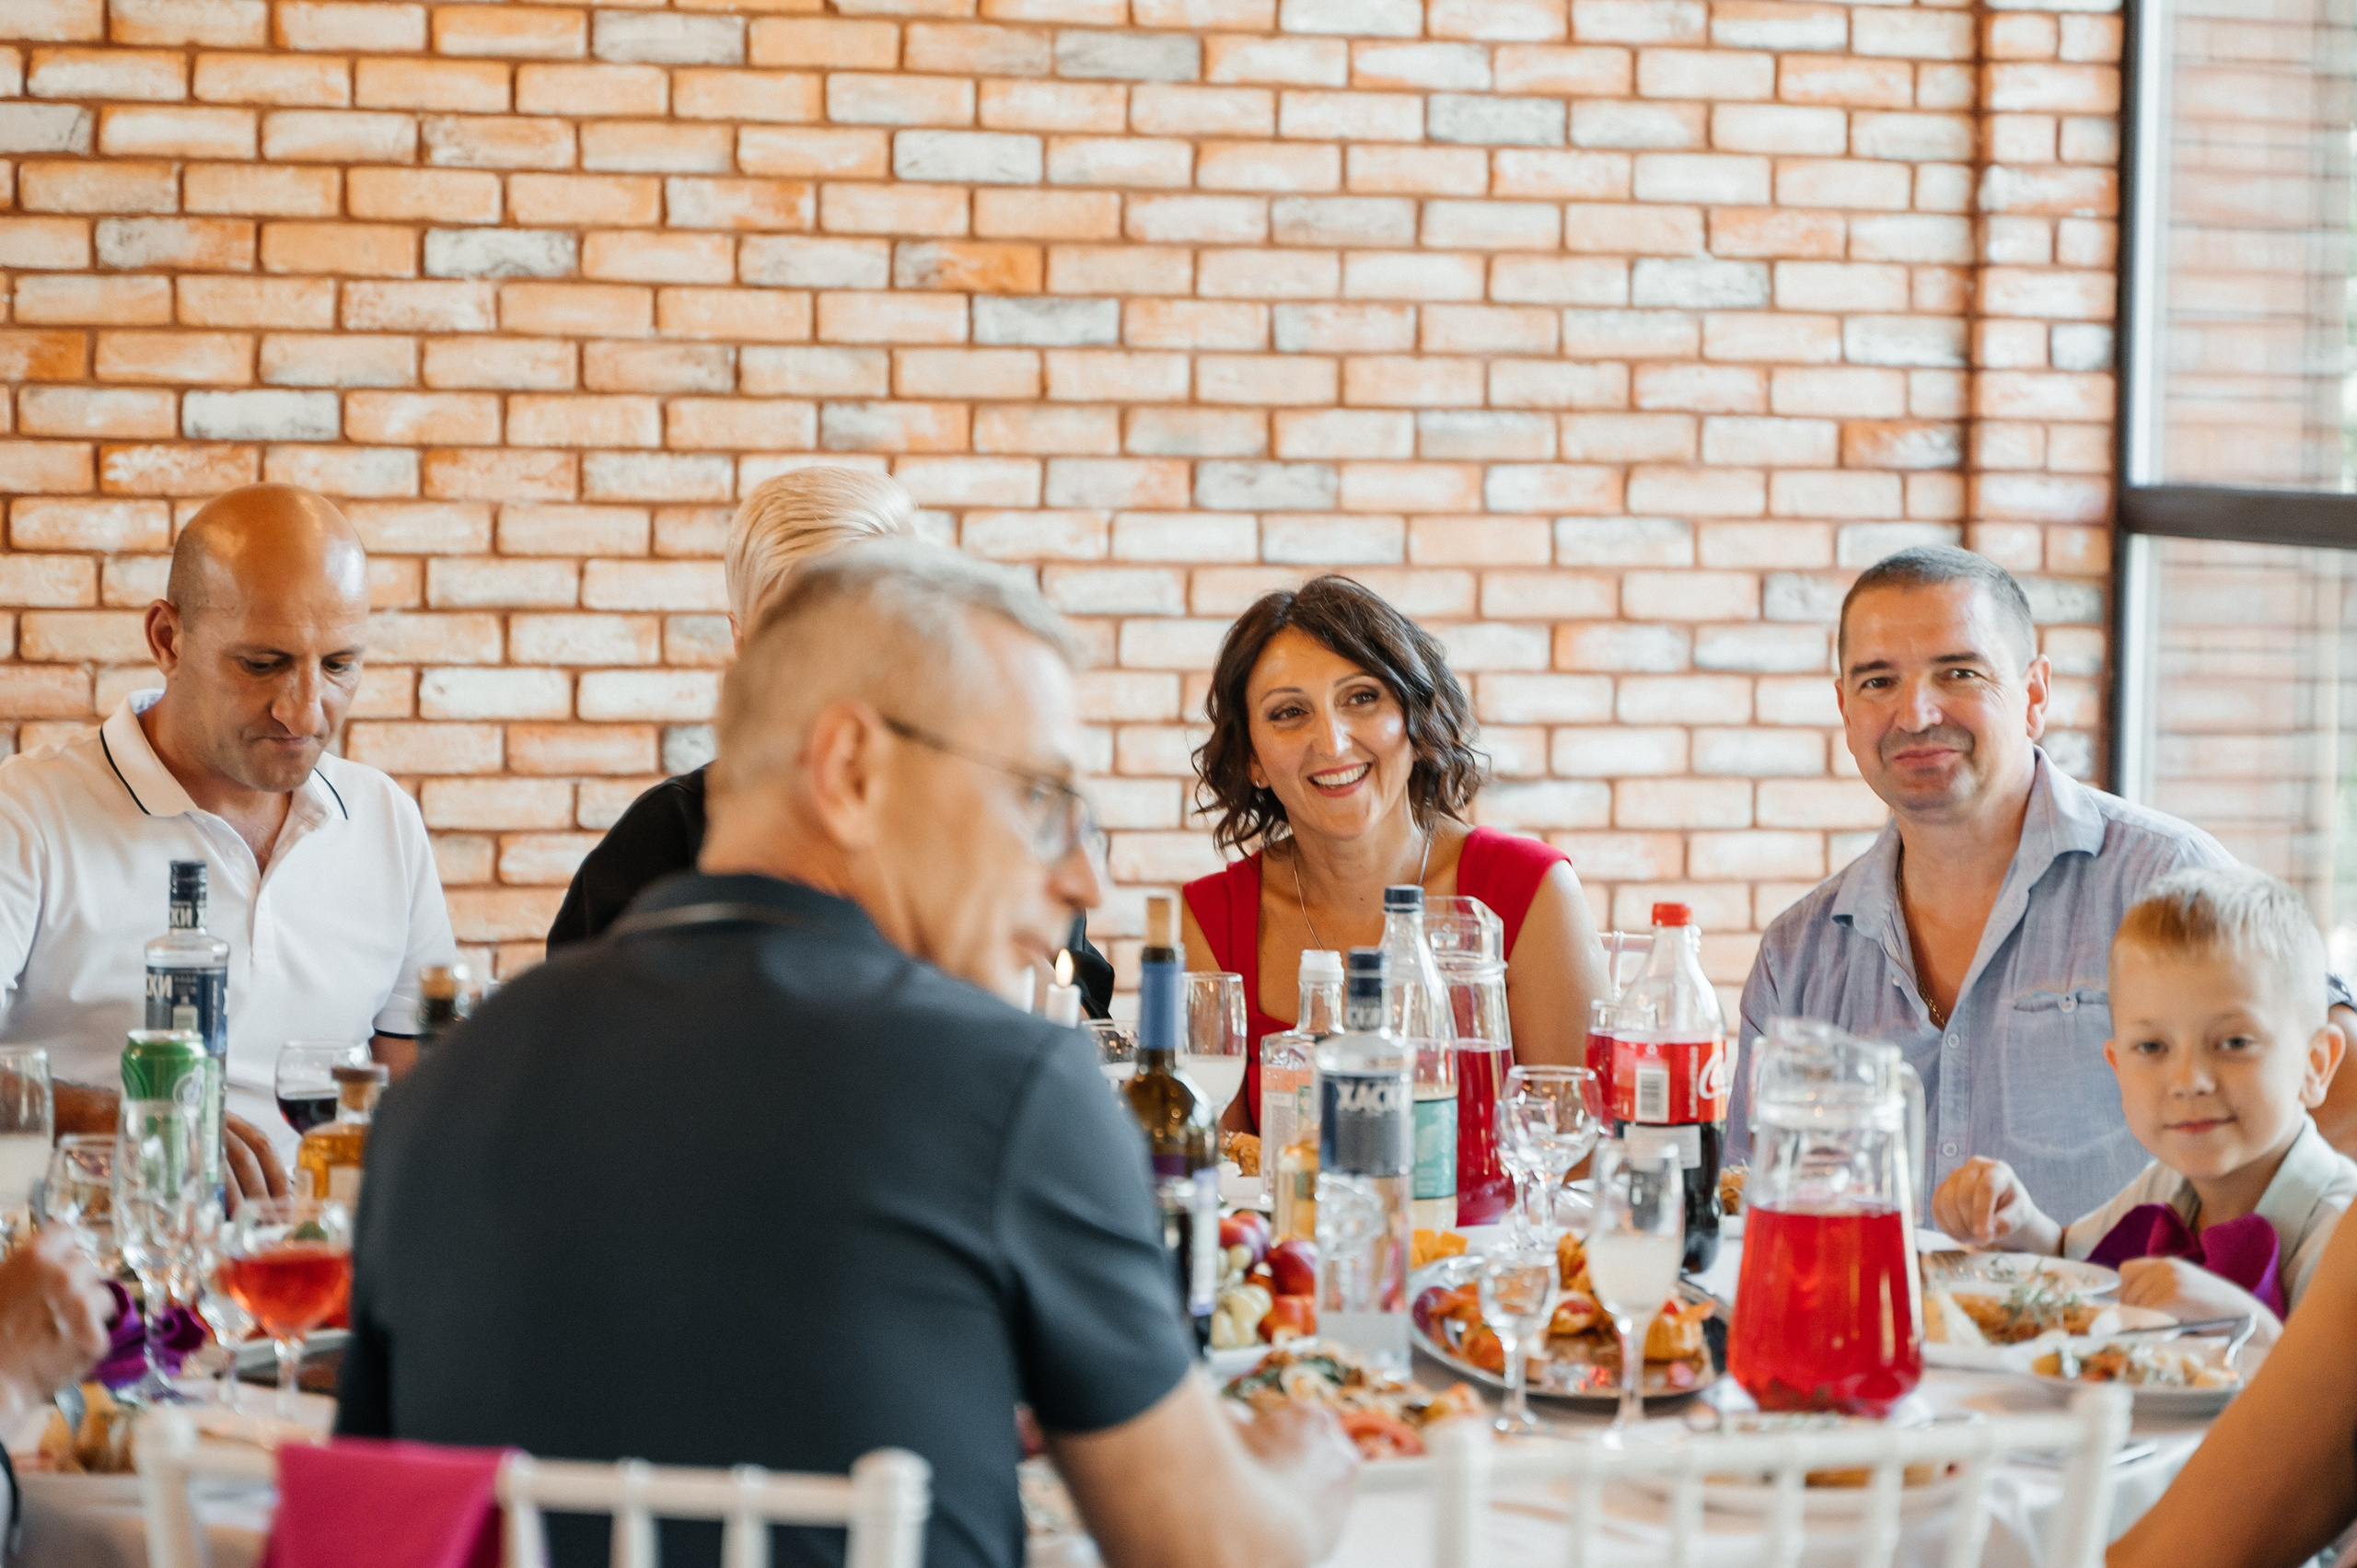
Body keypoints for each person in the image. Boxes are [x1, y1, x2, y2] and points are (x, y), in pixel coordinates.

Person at [338, 543, 1357, 1568]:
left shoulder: (445, 1084)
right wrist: (1311, 1452)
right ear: (852, 770)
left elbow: (381, 1511)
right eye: (1038, 797)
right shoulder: (1012, 1086)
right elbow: (1220, 1554)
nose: (1083, 874)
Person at [1734, 546, 2357, 1224]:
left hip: (2129, 1323)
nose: (1915, 713)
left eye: (1959, 672)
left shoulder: (2164, 877)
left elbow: (2335, 1082)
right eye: (1878, 682)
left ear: (2033, 695)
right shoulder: (1797, 955)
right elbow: (1748, 1201)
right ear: (1845, 709)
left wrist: (2232, 1265)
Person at [0, 484, 456, 1191]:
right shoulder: (26, 812)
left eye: (338, 665)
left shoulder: (386, 821)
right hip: (96, 1278)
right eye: (263, 663)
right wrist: (134, 1118)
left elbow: (425, 1101)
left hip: (314, 1274)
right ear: (167, 638)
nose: (304, 709)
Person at [546, 465, 1116, 1016]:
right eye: (796, 639)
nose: (840, 673)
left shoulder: (997, 840)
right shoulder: (659, 840)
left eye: (872, 637)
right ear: (744, 646)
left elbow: (1083, 1009)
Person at [1181, 575, 1609, 1132]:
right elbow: (1223, 1176)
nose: (1332, 743)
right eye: (1289, 712)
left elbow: (1579, 1161)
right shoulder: (1212, 919)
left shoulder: (1529, 890)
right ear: (1253, 761)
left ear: (1414, 718)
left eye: (1362, 698)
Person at [1933, 867, 2355, 1349]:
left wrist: (2248, 1324)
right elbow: (2070, 1258)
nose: (2189, 1081)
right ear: (2117, 1067)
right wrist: (2015, 1219)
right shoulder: (2167, 1187)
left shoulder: (2342, 1234)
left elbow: (2337, 1413)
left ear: (2316, 1065)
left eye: (2235, 1042)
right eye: (2153, 1047)